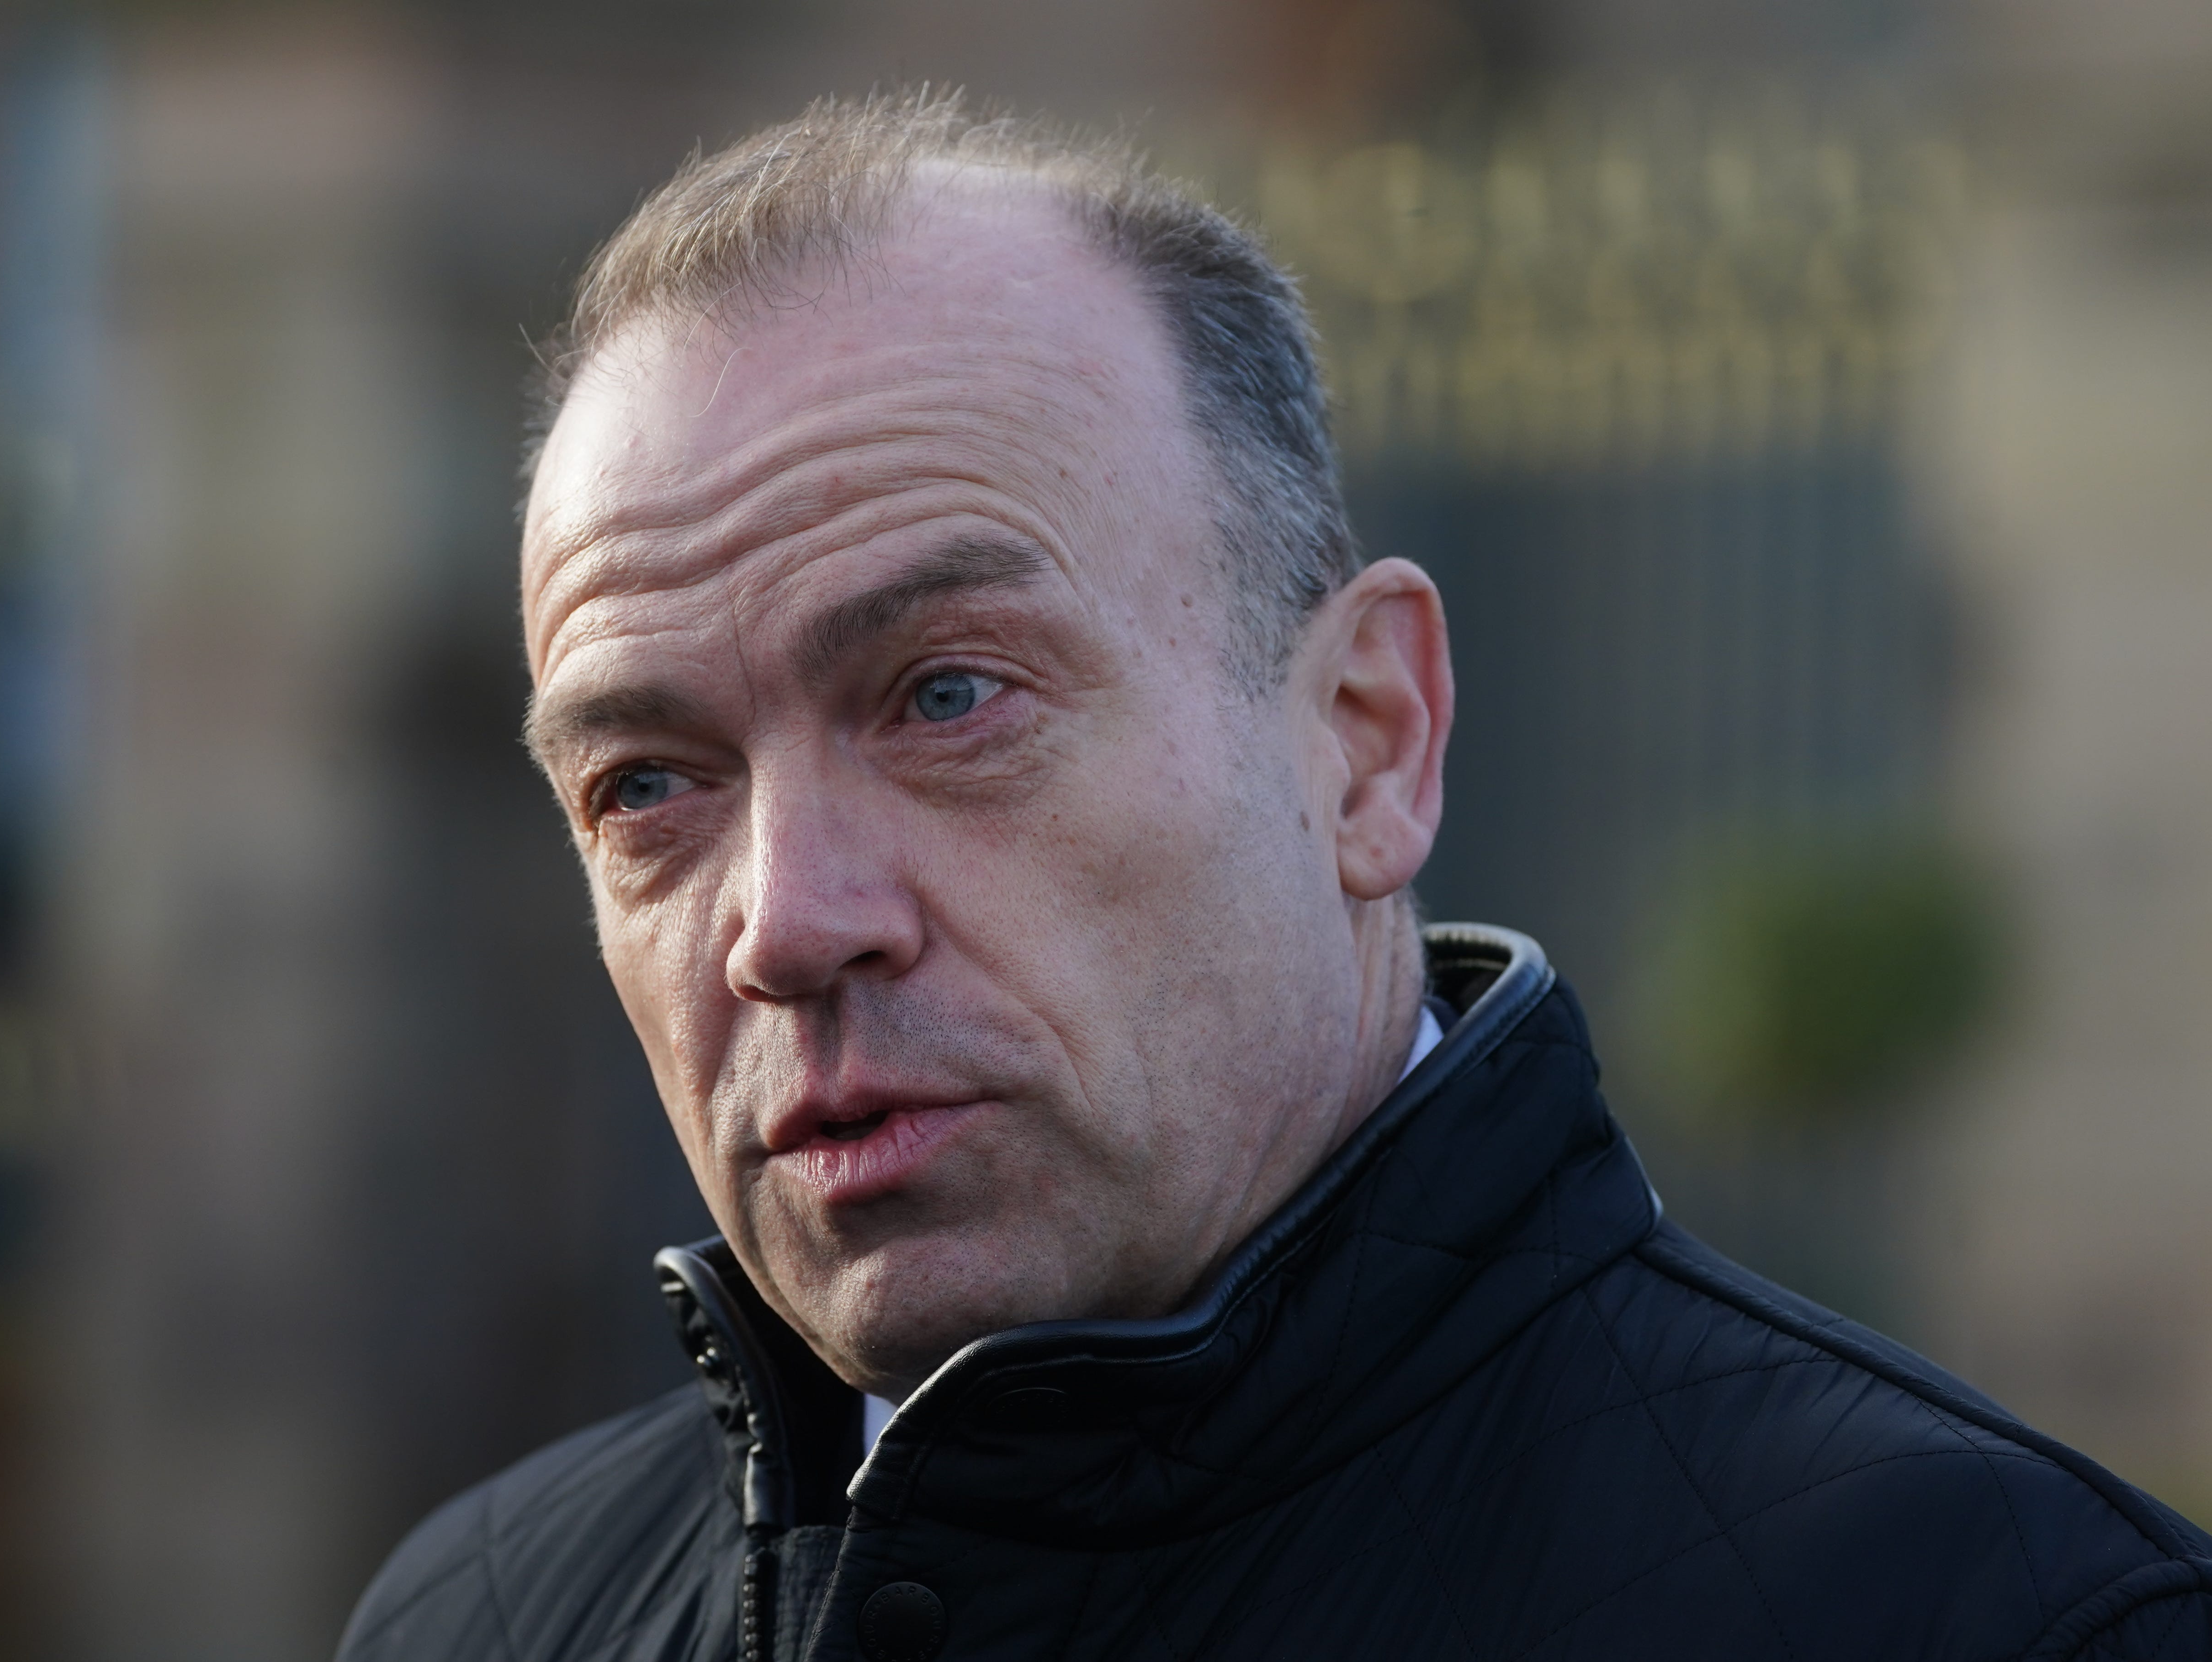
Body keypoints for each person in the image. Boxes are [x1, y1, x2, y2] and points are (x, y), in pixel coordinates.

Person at [339, 93, 2212, 1662]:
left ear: (1365, 739)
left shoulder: (2004, 1620)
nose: (786, 918)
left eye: (946, 694)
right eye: (648, 780)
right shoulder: (475, 1617)